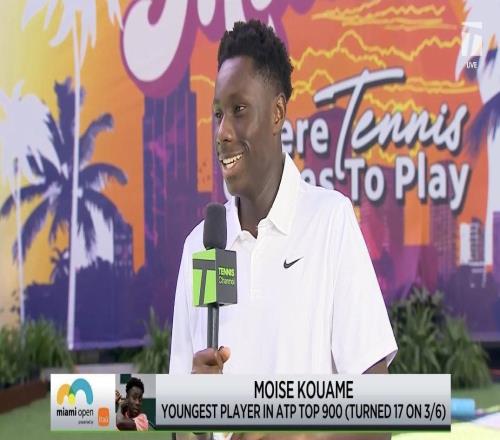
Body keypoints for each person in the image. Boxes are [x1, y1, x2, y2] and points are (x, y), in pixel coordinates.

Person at [169, 19, 397, 439]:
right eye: (218, 114)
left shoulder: (330, 221)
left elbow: (379, 411)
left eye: (239, 110)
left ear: (277, 113)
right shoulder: (201, 247)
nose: (222, 132)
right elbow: (180, 428)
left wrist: (294, 433)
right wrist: (194, 419)